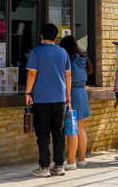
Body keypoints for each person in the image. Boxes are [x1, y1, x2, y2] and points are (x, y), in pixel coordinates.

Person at [25, 23, 71, 177]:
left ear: (41, 36)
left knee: (43, 134)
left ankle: (44, 167)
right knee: (58, 133)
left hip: (41, 99)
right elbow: (68, 75)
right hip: (59, 98)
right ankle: (59, 166)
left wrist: (27, 92)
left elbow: (32, 74)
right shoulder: (63, 52)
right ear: (56, 37)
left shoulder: (36, 51)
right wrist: (68, 94)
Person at [59, 35, 94, 170]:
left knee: (70, 127)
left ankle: (71, 161)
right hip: (82, 93)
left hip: (71, 93)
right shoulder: (82, 59)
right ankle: (81, 159)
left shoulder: (68, 60)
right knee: (80, 128)